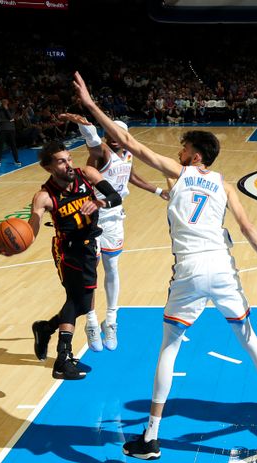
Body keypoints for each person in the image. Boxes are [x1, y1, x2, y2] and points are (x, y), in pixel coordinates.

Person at [73, 71, 257, 459]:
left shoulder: (179, 173)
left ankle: (150, 436)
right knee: (249, 339)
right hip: (223, 265)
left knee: (169, 346)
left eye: (183, 148)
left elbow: (127, 141)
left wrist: (91, 105)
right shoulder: (226, 185)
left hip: (191, 269)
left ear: (194, 156)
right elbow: (246, 228)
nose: (178, 152)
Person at [0, 141, 122, 380]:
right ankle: (62, 360)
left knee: (84, 305)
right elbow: (31, 231)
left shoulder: (87, 174)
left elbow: (115, 197)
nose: (69, 164)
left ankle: (45, 328)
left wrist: (99, 202)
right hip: (67, 250)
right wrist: (11, 248)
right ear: (48, 168)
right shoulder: (44, 196)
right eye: (61, 161)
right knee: (75, 300)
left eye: (69, 158)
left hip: (89, 246)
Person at [59, 113, 169, 352]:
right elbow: (93, 142)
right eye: (110, 134)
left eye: (119, 135)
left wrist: (157, 190)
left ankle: (110, 321)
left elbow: (131, 177)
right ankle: (90, 321)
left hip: (114, 219)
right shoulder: (101, 154)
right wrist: (85, 125)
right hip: (90, 218)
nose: (114, 138)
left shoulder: (128, 154)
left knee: (112, 268)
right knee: (90, 275)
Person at [0, 99, 21, 167]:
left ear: (8, 102)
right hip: (2, 130)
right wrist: (9, 121)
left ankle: (16, 160)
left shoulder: (11, 109)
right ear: (1, 103)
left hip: (11, 130)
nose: (4, 103)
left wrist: (6, 110)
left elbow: (11, 117)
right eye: (3, 102)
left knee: (13, 145)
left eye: (6, 102)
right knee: (0, 145)